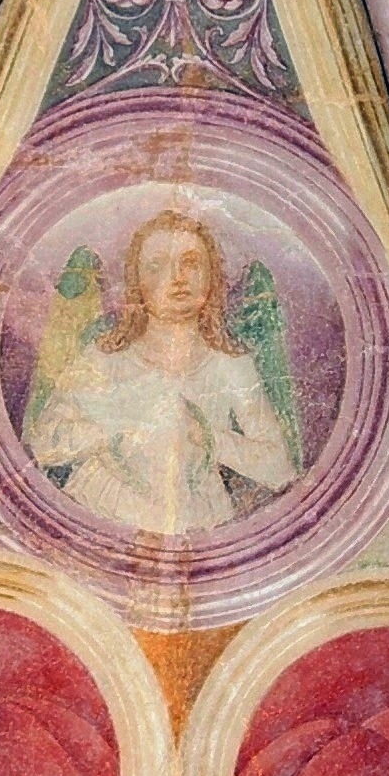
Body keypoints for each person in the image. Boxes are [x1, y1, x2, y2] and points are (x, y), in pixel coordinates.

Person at [21, 207, 302, 536]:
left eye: (191, 262)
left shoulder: (229, 365)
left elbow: (279, 466)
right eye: (157, 266)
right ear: (137, 283)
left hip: (199, 516)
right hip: (104, 505)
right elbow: (44, 443)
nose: (177, 277)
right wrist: (121, 419)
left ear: (212, 276)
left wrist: (204, 434)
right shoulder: (106, 356)